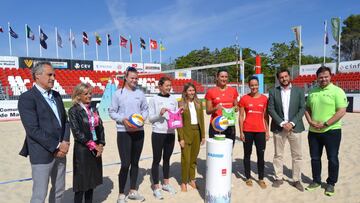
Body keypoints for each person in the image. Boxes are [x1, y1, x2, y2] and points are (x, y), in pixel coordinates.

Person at [18, 61, 70, 203]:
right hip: (41, 153)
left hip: (61, 151)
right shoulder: (27, 98)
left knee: (59, 190)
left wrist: (65, 142)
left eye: (54, 74)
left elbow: (65, 121)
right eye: (49, 75)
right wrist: (57, 146)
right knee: (40, 195)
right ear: (37, 76)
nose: (53, 78)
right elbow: (32, 129)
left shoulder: (57, 95)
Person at [304, 66, 347, 196]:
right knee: (315, 158)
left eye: (326, 76)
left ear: (330, 76)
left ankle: (331, 183)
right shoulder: (312, 91)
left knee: (332, 158)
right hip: (314, 132)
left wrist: (326, 123)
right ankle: (316, 180)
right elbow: (307, 108)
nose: (323, 79)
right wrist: (310, 121)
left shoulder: (337, 91)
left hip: (332, 131)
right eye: (321, 77)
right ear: (317, 78)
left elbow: (341, 111)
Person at [109, 67, 149, 203]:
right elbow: (112, 112)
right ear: (125, 77)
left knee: (135, 163)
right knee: (125, 164)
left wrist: (142, 119)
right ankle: (121, 194)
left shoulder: (140, 93)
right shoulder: (117, 94)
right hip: (124, 132)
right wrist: (123, 120)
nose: (134, 80)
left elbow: (145, 109)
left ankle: (133, 191)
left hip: (139, 132)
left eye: (136, 78)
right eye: (132, 77)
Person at [267, 68, 306, 191]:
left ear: (289, 76)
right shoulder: (273, 91)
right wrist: (283, 123)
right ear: (278, 79)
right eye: (281, 77)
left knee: (297, 155)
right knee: (278, 154)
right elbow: (271, 109)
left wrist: (292, 122)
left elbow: (302, 109)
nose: (284, 79)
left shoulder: (299, 91)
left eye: (286, 76)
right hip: (279, 127)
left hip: (296, 127)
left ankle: (296, 179)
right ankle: (278, 178)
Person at [68, 83, 105, 203]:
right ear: (78, 96)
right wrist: (93, 146)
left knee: (91, 181)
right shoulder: (74, 111)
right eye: (86, 94)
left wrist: (100, 144)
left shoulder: (94, 109)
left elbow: (100, 127)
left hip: (95, 149)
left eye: (90, 93)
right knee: (81, 182)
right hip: (83, 150)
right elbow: (77, 133)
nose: (89, 96)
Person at [148, 77, 179, 199]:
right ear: (160, 86)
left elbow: (175, 116)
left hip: (170, 133)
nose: (169, 87)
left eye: (170, 85)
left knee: (167, 159)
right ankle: (156, 186)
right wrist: (159, 114)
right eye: (166, 85)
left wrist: (178, 115)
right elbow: (150, 119)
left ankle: (166, 183)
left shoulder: (173, 99)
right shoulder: (154, 99)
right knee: (156, 159)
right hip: (158, 133)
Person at [238, 76, 270, 189]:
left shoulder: (264, 99)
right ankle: (248, 177)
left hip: (260, 131)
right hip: (247, 131)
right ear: (249, 86)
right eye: (252, 85)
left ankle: (261, 178)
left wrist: (267, 131)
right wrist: (241, 132)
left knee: (260, 156)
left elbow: (266, 116)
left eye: (255, 85)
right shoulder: (244, 99)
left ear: (258, 85)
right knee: (247, 155)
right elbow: (241, 116)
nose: (254, 87)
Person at [177, 83, 205, 192]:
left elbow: (201, 120)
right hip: (186, 133)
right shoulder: (181, 104)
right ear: (185, 92)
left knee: (193, 159)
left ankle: (191, 179)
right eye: (189, 90)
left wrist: (203, 135)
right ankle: (184, 181)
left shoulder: (198, 103)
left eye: (193, 90)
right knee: (186, 160)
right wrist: (181, 138)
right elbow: (178, 122)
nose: (192, 92)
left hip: (197, 133)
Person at [205, 68, 239, 145]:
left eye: (226, 77)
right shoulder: (210, 91)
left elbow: (236, 107)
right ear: (217, 77)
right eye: (222, 76)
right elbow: (207, 111)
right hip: (216, 125)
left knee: (229, 149)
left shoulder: (233, 90)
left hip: (229, 124)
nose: (224, 79)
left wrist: (237, 108)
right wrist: (215, 108)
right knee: (215, 149)